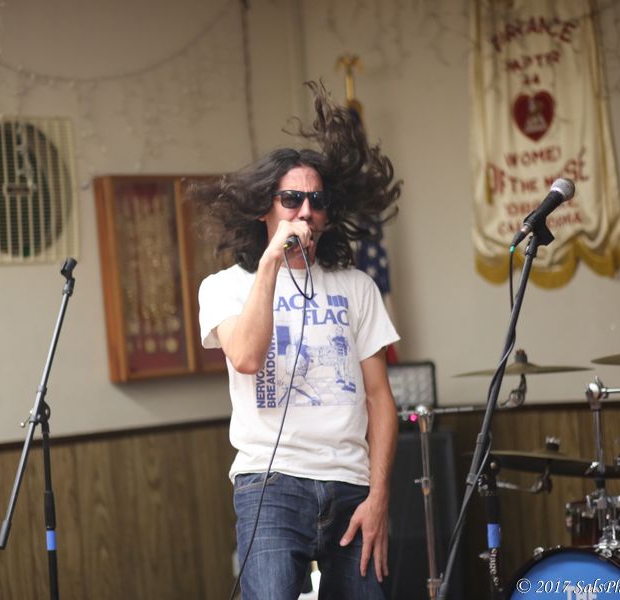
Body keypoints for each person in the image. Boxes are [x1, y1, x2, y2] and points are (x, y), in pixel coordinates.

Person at [194, 81, 402, 600]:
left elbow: (380, 398)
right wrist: (271, 261)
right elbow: (246, 357)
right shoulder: (224, 287)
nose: (305, 211)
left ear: (329, 214)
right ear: (265, 208)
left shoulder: (357, 287)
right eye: (291, 199)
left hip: (351, 482)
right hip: (271, 484)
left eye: (317, 201)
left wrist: (378, 497)